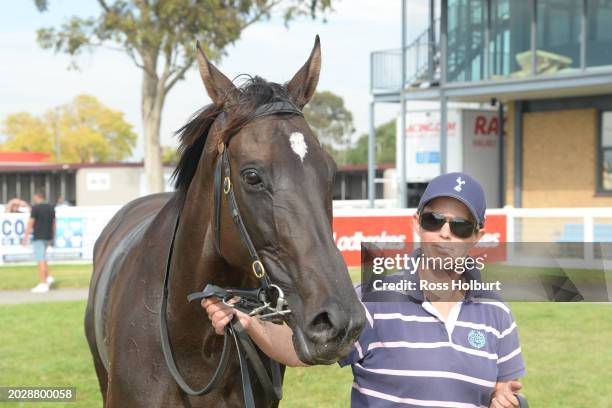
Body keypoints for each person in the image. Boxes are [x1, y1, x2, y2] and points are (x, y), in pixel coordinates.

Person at [203, 172, 525, 407]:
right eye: (433, 220)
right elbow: (300, 347)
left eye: (460, 226)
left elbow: (506, 389)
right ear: (416, 224)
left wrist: (505, 399)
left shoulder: (498, 314)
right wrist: (248, 321)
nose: (444, 233)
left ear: (477, 235)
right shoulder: (373, 298)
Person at [22, 190, 56, 293]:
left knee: (40, 260)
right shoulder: (51, 207)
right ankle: (48, 278)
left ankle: (43, 283)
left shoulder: (36, 208)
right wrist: (53, 236)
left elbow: (30, 223)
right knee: (43, 259)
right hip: (47, 236)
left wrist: (25, 237)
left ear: (37, 196)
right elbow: (54, 223)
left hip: (39, 237)